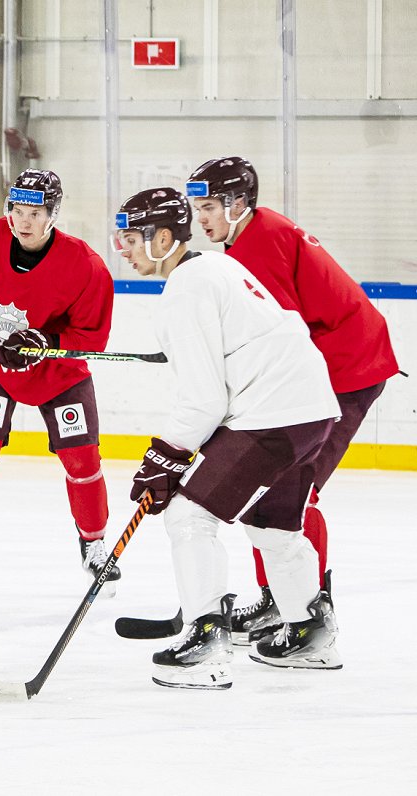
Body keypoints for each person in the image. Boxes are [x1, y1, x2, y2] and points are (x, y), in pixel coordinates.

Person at [114, 187, 341, 689]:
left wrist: (164, 457)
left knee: (189, 516)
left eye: (130, 238)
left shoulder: (185, 289)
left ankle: (207, 641)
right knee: (273, 523)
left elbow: (203, 400)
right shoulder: (220, 268)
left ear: (164, 238)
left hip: (272, 413)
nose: (122, 249)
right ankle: (309, 632)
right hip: (313, 410)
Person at [185, 156, 400, 644]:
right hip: (332, 363)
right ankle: (279, 601)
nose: (202, 218)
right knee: (272, 485)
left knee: (296, 491)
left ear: (239, 204)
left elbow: (281, 334)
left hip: (347, 368)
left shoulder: (260, 244)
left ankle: (311, 610)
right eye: (198, 207)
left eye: (210, 206)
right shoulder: (250, 236)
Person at [0, 169, 116, 599]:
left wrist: (44, 342)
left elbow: (91, 338)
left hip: (57, 373)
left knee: (82, 458)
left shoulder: (86, 266)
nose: (23, 221)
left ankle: (94, 543)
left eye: (35, 212)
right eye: (16, 210)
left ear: (52, 215)